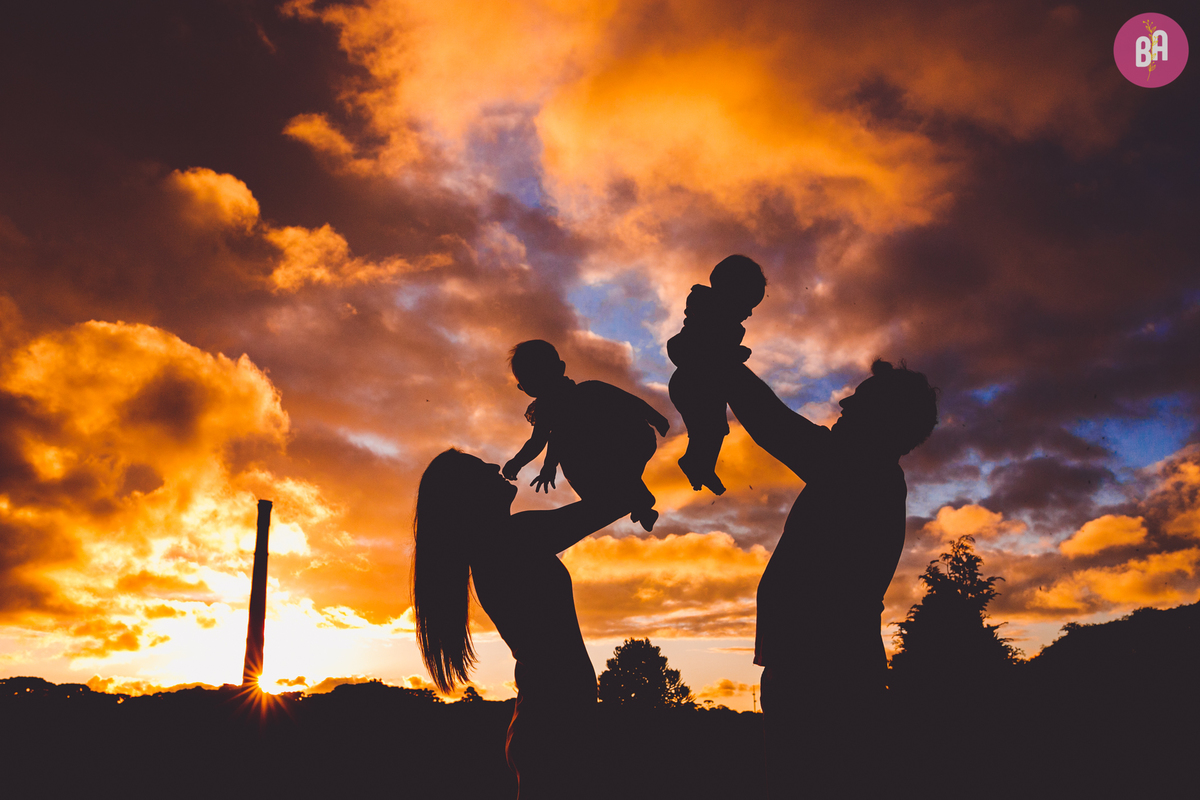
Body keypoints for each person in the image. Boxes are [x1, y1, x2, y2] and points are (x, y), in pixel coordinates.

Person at [723, 357, 938, 797]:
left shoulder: (862, 470)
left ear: (883, 420)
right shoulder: (867, 473)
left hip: (822, 672)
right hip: (820, 666)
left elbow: (775, 426)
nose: (842, 403)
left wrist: (723, 363)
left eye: (858, 402)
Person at [413, 449, 627, 799]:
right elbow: (614, 502)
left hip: (545, 724)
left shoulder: (496, 549)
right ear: (468, 497)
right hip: (555, 728)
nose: (495, 466)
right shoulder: (513, 538)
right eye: (480, 469)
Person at [502, 340, 670, 531]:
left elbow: (627, 402)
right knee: (601, 473)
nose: (540, 383)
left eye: (541, 374)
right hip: (594, 455)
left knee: (608, 469)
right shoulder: (547, 410)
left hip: (624, 438)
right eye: (530, 381)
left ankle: (637, 501)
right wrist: (525, 463)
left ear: (560, 368)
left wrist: (654, 417)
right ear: (523, 388)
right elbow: (544, 440)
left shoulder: (590, 390)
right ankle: (639, 504)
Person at [667, 255, 767, 495]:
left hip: (704, 388)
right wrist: (732, 353)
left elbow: (716, 350)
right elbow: (699, 346)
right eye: (748, 305)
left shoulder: (724, 320)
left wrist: (732, 353)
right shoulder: (709, 309)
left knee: (713, 430)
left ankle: (700, 466)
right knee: (709, 429)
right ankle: (695, 463)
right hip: (691, 385)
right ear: (732, 293)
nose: (750, 314)